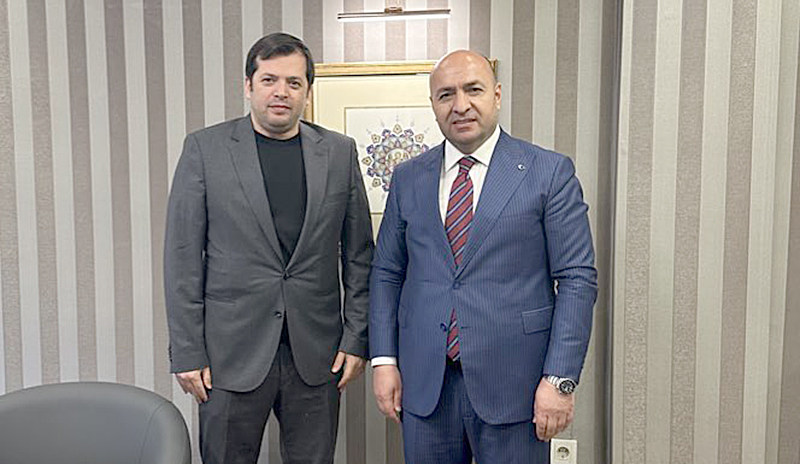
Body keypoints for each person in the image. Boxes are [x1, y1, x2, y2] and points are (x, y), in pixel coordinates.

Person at [369, 50, 597, 464]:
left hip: (518, 386)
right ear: (433, 105)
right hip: (427, 386)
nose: (460, 105)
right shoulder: (408, 178)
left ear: (497, 94)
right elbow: (387, 273)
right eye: (446, 95)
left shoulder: (548, 172)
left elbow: (577, 279)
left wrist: (559, 379)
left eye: (473, 90)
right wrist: (383, 360)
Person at [164, 32, 373, 464]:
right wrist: (186, 351)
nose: (281, 92)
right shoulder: (205, 150)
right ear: (248, 85)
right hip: (228, 356)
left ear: (308, 91)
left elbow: (359, 256)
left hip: (316, 355)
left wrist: (356, 339)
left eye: (294, 82)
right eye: (269, 80)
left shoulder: (339, 153)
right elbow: (183, 258)